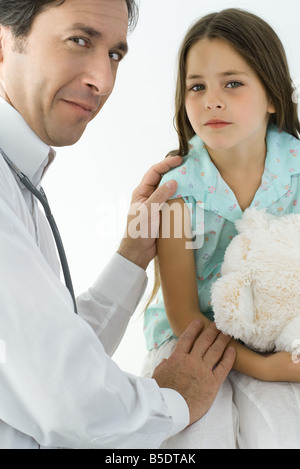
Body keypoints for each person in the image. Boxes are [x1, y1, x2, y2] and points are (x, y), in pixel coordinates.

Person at [0, 0, 236, 450]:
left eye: (114, 55)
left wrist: (132, 257)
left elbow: (45, 355)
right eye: (79, 40)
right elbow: (66, 401)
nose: (103, 82)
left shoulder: (18, 178)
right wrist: (173, 400)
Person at [143, 8, 300, 449]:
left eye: (232, 83)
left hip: (275, 331)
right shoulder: (177, 190)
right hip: (191, 339)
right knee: (194, 437)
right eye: (197, 87)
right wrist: (264, 368)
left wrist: (276, 360)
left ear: (272, 96)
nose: (212, 99)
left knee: (282, 434)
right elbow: (183, 314)